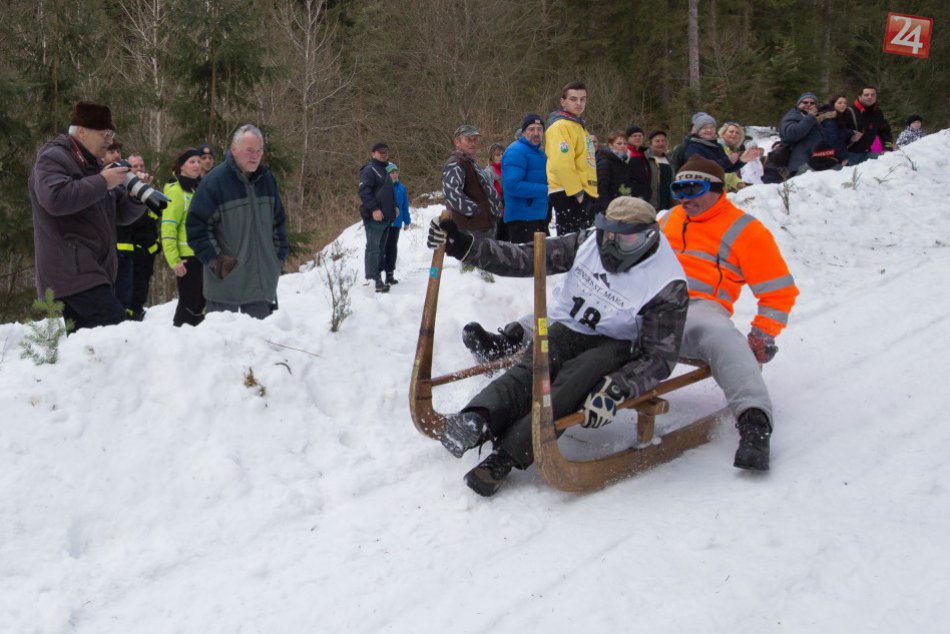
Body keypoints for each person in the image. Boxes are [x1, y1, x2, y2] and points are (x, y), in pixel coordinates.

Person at [461, 156, 799, 473]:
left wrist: (763, 334)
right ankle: (509, 342)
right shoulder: (666, 218)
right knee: (574, 303)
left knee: (722, 337)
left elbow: (778, 289)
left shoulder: (745, 230)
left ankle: (754, 419)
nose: (685, 198)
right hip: (632, 301)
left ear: (717, 189)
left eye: (694, 189)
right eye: (678, 189)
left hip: (695, 307)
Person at [427, 195, 688, 496]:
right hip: (572, 327)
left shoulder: (667, 284)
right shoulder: (588, 242)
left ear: (647, 238)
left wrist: (618, 386)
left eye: (625, 239)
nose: (612, 245)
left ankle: (508, 455)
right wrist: (463, 244)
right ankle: (479, 418)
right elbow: (525, 257)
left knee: (573, 381)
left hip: (620, 344)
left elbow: (660, 357)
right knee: (534, 366)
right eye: (608, 234)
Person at [28, 101, 145, 331]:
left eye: (112, 134)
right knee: (117, 331)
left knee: (89, 349)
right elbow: (55, 198)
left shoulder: (94, 166)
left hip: (92, 269)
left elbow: (119, 214)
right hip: (72, 271)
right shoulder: (53, 158)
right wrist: (103, 181)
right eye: (106, 133)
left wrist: (137, 198)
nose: (110, 140)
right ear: (82, 131)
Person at [186, 124, 289, 319]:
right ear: (234, 150)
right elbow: (196, 228)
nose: (255, 155)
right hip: (225, 289)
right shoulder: (214, 182)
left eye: (259, 151)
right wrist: (217, 262)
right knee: (225, 346)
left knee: (262, 346)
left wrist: (276, 258)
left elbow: (279, 223)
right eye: (249, 150)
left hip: (260, 287)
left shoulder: (267, 180)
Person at [545, 80, 597, 235]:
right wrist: (578, 193)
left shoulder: (579, 127)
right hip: (569, 192)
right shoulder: (560, 126)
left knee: (584, 246)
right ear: (563, 102)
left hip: (585, 191)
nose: (579, 103)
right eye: (573, 99)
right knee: (572, 244)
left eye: (583, 99)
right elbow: (561, 164)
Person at [162, 148, 205, 327]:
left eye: (198, 161)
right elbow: (168, 227)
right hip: (186, 258)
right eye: (192, 162)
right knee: (188, 304)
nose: (197, 165)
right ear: (181, 167)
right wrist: (174, 259)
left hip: (201, 254)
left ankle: (196, 342)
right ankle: (177, 340)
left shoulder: (197, 188)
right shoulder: (176, 190)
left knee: (201, 303)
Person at [115, 152, 160, 320]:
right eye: (135, 166)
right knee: (126, 290)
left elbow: (156, 218)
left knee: (141, 290)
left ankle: (137, 315)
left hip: (147, 252)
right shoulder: (122, 190)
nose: (140, 169)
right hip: (127, 251)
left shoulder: (151, 191)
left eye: (142, 166)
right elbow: (128, 219)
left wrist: (155, 245)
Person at [442, 124, 502, 239]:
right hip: (472, 229)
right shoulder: (455, 163)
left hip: (482, 226)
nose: (473, 143)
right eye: (468, 139)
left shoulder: (469, 162)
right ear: (457, 142)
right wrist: (475, 211)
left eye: (475, 139)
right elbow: (451, 192)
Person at [500, 113, 549, 243]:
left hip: (537, 215)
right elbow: (512, 185)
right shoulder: (516, 151)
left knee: (540, 260)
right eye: (531, 129)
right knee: (526, 261)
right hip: (522, 218)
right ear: (523, 133)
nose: (536, 133)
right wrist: (546, 189)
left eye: (539, 129)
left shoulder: (540, 153)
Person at [358, 142, 396, 293]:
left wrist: (395, 208)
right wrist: (374, 209)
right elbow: (364, 192)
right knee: (374, 249)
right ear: (373, 153)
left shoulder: (385, 169)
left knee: (381, 249)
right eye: (380, 152)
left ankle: (378, 277)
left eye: (386, 152)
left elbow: (389, 192)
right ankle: (375, 280)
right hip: (374, 217)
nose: (383, 154)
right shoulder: (369, 170)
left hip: (386, 217)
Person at [683, 112, 756, 177]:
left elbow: (726, 169)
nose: (709, 130)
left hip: (717, 188)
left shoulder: (717, 146)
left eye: (711, 127)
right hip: (701, 189)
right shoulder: (693, 147)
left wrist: (741, 161)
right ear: (698, 130)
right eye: (704, 128)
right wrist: (728, 160)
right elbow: (702, 169)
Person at [595, 131, 647, 214]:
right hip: (609, 209)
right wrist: (608, 208)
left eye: (625, 143)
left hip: (622, 206)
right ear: (610, 145)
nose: (623, 146)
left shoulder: (622, 161)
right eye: (619, 143)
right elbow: (601, 189)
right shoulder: (605, 162)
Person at [779, 92, 826, 174]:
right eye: (805, 102)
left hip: (815, 162)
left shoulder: (813, 118)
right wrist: (810, 117)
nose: (808, 105)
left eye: (812, 103)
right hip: (799, 164)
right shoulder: (791, 116)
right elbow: (792, 134)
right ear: (798, 104)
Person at [845, 86, 892, 165]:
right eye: (866, 95)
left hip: (867, 153)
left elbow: (885, 132)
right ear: (859, 96)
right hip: (850, 155)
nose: (870, 97)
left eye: (872, 95)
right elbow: (838, 134)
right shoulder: (849, 112)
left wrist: (888, 148)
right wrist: (850, 138)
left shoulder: (877, 112)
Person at [382, 162, 411, 285]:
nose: (395, 175)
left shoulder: (401, 188)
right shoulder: (382, 187)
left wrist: (407, 221)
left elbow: (405, 206)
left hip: (396, 224)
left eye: (396, 172)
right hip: (384, 224)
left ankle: (390, 275)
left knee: (392, 249)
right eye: (392, 173)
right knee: (383, 249)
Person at [645, 130, 674, 211]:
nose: (661, 143)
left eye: (663, 141)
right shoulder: (645, 160)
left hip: (668, 203)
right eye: (657, 141)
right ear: (650, 144)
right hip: (652, 204)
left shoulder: (670, 161)